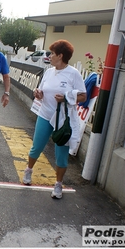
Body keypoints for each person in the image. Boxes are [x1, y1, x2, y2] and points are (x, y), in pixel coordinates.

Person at [22, 39, 86, 199]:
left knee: (61, 153)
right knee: (37, 146)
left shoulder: (73, 74)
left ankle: (58, 184)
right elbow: (41, 90)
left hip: (62, 120)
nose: (49, 56)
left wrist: (66, 97)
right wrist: (38, 93)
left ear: (61, 55)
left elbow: (84, 96)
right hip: (45, 114)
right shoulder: (49, 72)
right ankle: (28, 170)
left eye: (52, 54)